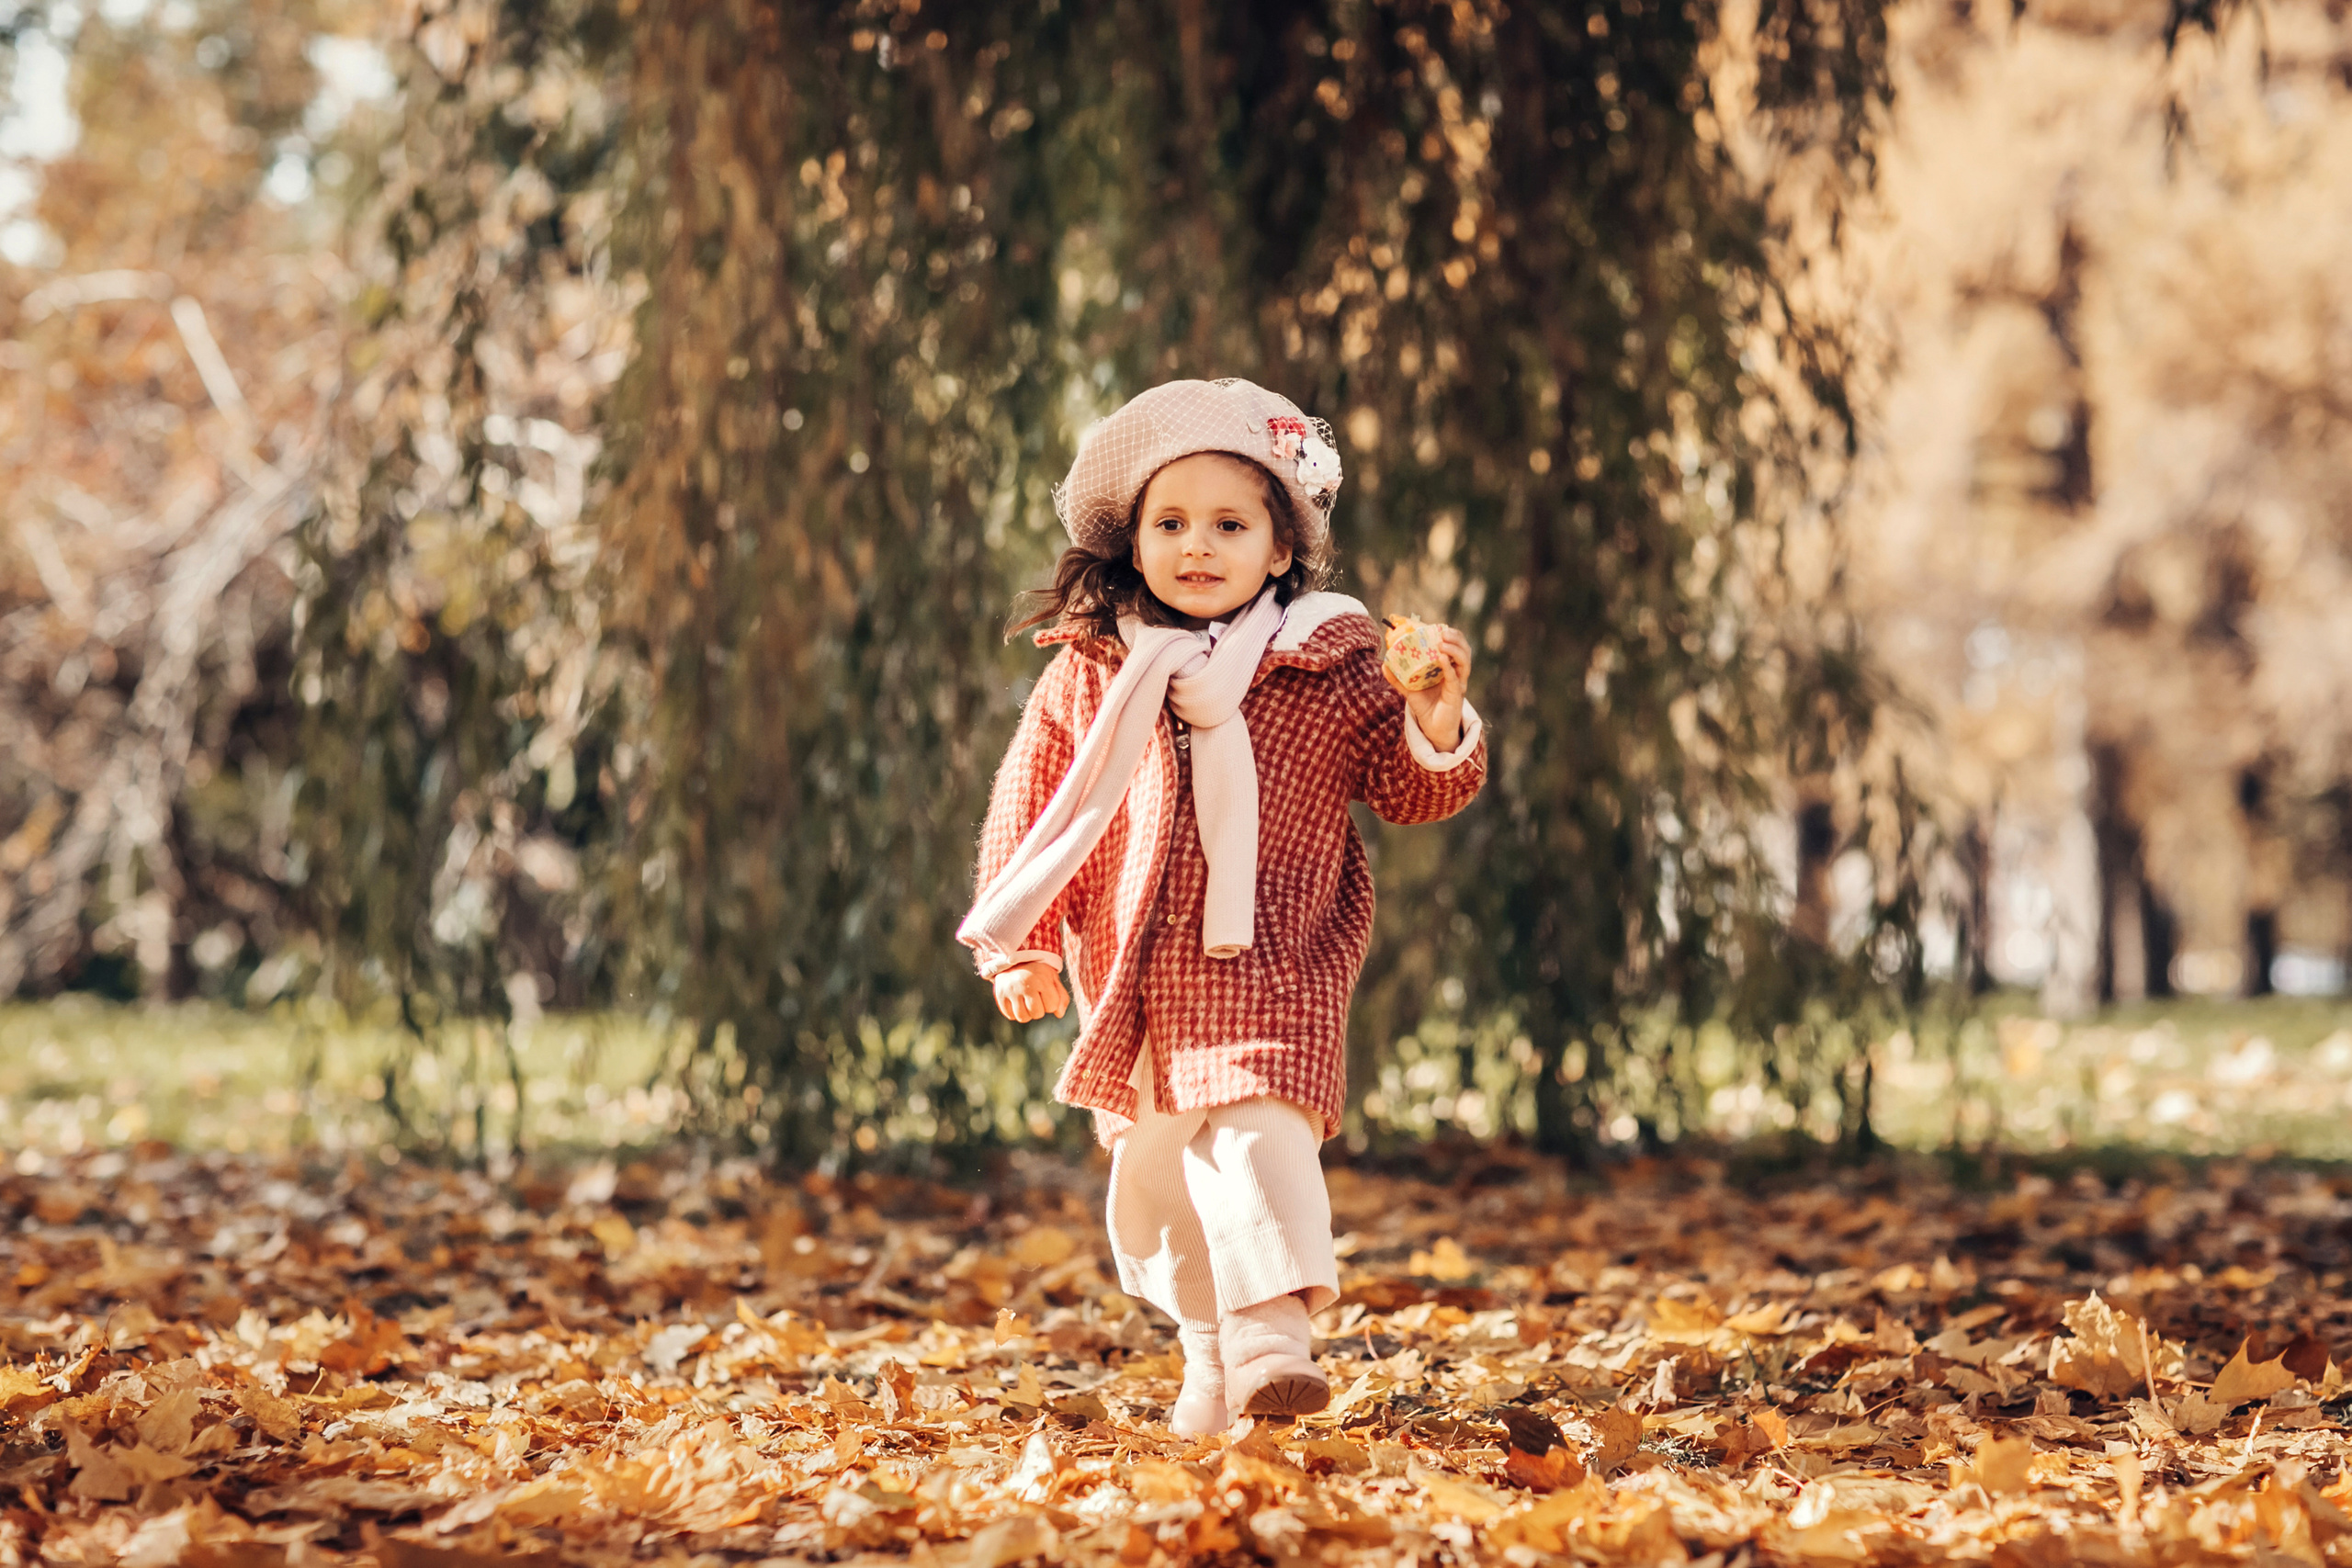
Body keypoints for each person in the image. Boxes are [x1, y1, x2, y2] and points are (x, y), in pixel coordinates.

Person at [958, 378, 1485, 1435]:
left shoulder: (1328, 661)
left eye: (1230, 525)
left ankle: (1272, 1339)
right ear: (1136, 540)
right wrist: (1017, 946)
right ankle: (1212, 1364)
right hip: (1139, 966)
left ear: (1281, 549)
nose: (1198, 547)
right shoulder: (1097, 666)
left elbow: (1410, 789)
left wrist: (1435, 718)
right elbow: (1035, 801)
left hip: (1277, 957)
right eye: (1172, 524)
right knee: (1161, 1176)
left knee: (1258, 1130)